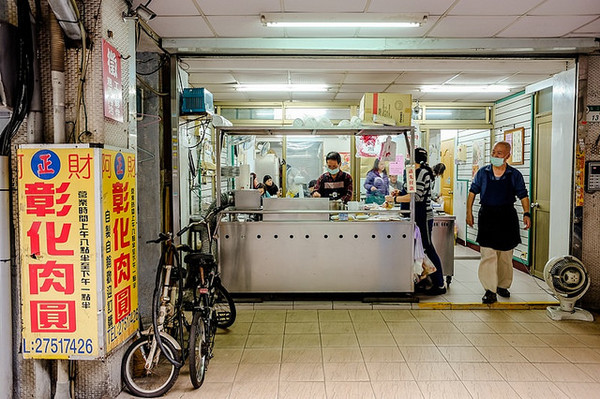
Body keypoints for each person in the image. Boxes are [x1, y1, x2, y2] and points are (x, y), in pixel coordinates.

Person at [466, 141, 531, 304]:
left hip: (507, 215)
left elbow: (523, 195)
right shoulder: (483, 173)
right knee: (488, 254)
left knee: (505, 255)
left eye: (499, 153)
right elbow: (472, 192)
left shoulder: (514, 174)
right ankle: (489, 289)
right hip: (487, 215)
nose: (495, 155)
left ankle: (503, 285)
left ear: (507, 156)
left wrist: (527, 213)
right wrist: (468, 213)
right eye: (493, 152)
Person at [386, 147, 446, 295]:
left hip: (422, 216)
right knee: (417, 248)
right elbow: (410, 192)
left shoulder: (422, 173)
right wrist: (400, 192)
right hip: (413, 215)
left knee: (427, 246)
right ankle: (422, 280)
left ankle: (439, 284)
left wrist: (394, 199)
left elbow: (416, 197)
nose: (407, 159)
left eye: (409, 156)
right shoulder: (413, 172)